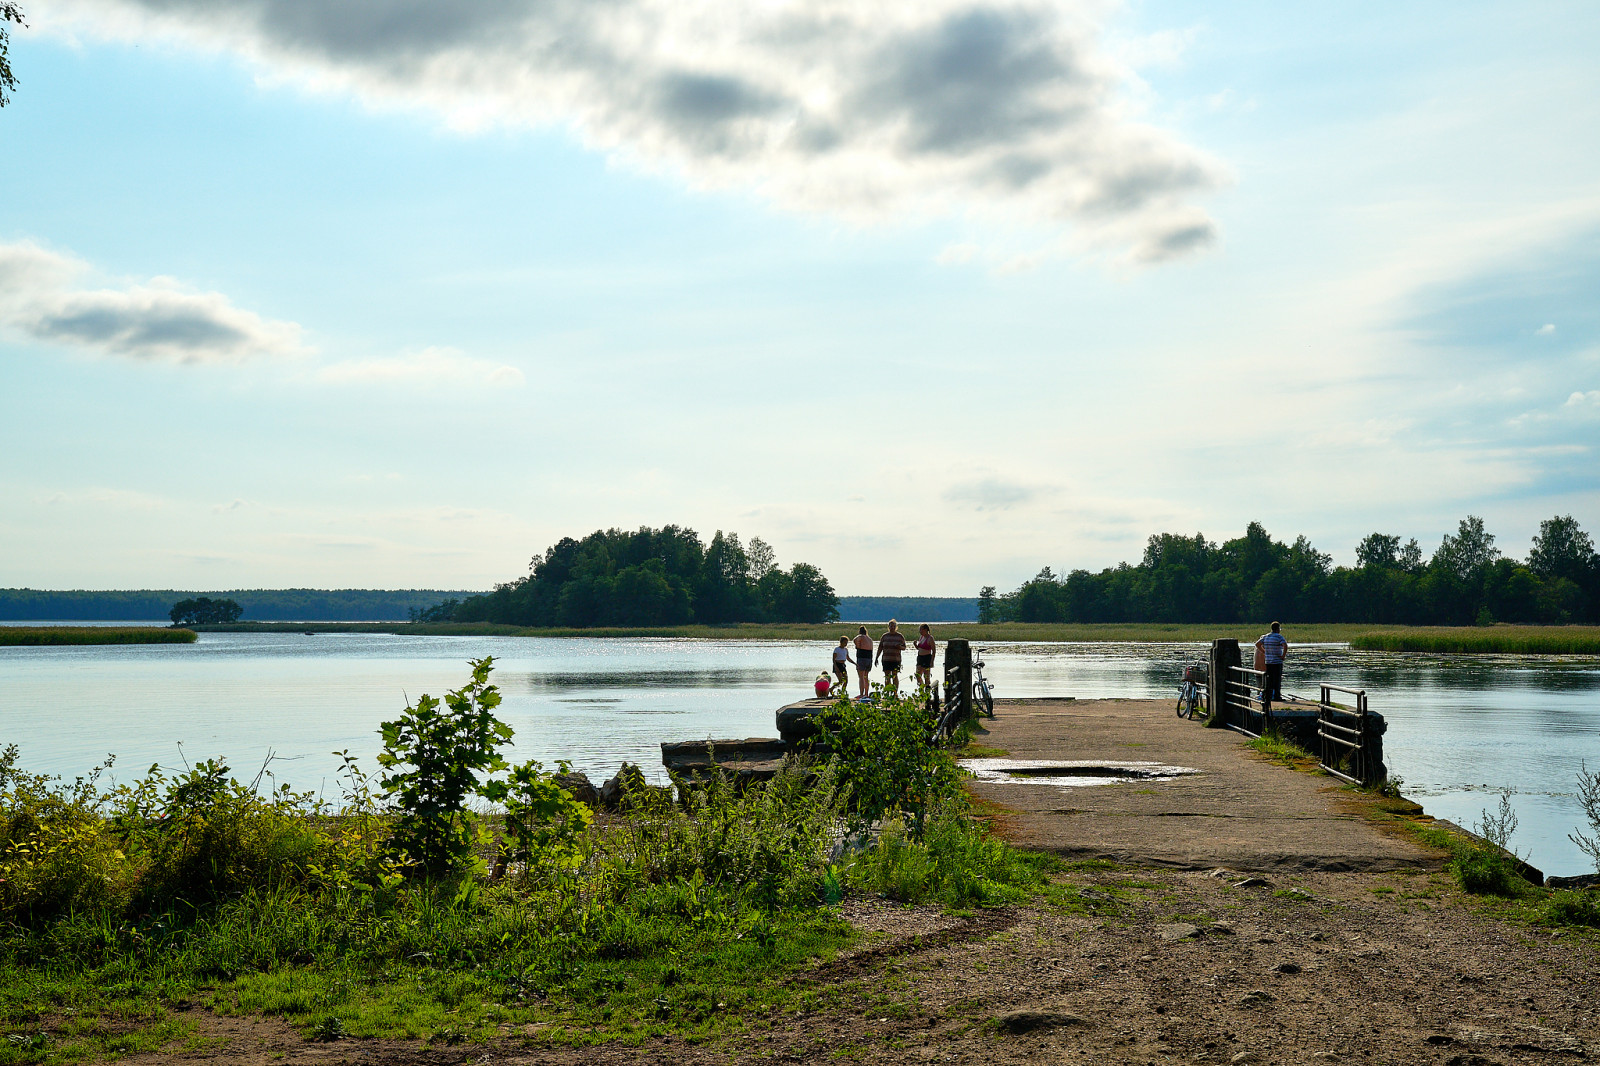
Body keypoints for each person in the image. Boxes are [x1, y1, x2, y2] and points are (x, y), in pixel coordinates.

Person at [1255, 621, 1288, 706]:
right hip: (1277, 661)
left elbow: (1257, 644)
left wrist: (1264, 651)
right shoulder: (1279, 637)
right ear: (1278, 629)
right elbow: (1285, 645)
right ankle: (1277, 696)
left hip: (1268, 662)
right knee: (1277, 679)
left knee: (1269, 679)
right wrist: (1283, 655)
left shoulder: (1266, 636)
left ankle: (1268, 696)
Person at [876, 619, 908, 694]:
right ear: (888, 627)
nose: (892, 627)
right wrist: (876, 657)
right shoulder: (884, 636)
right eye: (891, 626)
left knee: (894, 675)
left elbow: (904, 647)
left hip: (896, 660)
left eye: (894, 626)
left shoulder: (900, 636)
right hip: (886, 659)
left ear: (896, 627)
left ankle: (895, 692)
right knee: (887, 676)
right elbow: (880, 647)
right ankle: (887, 692)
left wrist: (899, 647)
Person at [852, 625, 874, 699]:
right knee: (866, 677)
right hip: (869, 658)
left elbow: (854, 639)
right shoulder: (870, 639)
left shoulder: (861, 637)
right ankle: (866, 693)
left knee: (861, 677)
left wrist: (857, 645)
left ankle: (861, 694)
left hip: (862, 658)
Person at [913, 623, 936, 690]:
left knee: (927, 677)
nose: (920, 631)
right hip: (920, 658)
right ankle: (922, 689)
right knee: (918, 675)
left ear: (925, 630)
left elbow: (934, 651)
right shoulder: (921, 637)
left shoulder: (930, 638)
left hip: (927, 658)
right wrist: (915, 645)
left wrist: (932, 661)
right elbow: (919, 648)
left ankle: (927, 692)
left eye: (921, 630)